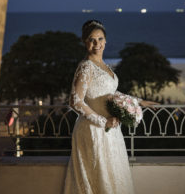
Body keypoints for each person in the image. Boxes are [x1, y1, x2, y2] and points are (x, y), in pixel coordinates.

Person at [63, 20, 158, 194]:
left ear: (105, 41)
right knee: (98, 177)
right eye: (91, 39)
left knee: (113, 176)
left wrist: (137, 101)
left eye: (100, 39)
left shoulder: (104, 66)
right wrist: (102, 121)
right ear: (84, 42)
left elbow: (109, 92)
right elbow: (75, 101)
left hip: (110, 130)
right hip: (93, 130)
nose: (96, 44)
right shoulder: (86, 67)